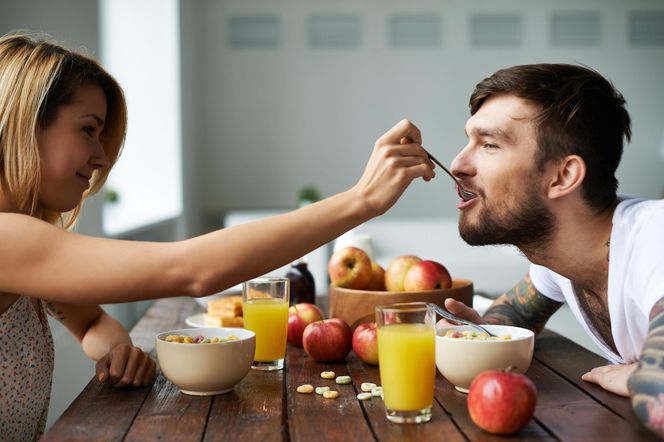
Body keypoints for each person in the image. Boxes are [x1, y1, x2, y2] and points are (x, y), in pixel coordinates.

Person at [0, 32, 435, 440]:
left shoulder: (27, 240)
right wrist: (361, 200)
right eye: (88, 129)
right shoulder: (7, 239)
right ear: (24, 124)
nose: (100, 157)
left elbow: (91, 320)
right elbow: (193, 270)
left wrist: (117, 349)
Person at [439, 63, 664, 438]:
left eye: (489, 145)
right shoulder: (562, 253)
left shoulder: (654, 240)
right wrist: (479, 335)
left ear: (562, 177)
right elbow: (513, 314)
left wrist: (641, 378)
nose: (458, 164)